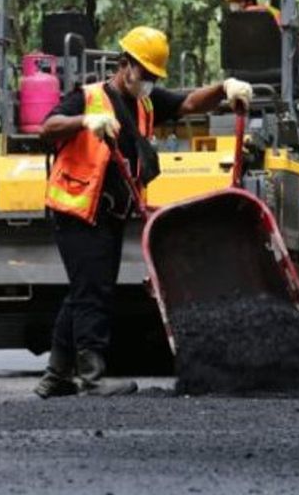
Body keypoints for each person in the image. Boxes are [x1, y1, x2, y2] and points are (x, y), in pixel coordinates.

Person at [34, 26, 253, 397]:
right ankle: (91, 377)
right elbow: (47, 128)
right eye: (145, 74)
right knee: (93, 291)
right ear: (124, 66)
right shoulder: (88, 98)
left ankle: (55, 376)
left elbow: (187, 103)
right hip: (78, 209)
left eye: (154, 76)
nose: (149, 81)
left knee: (84, 289)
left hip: (110, 213)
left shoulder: (145, 102)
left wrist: (224, 87)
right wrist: (85, 122)